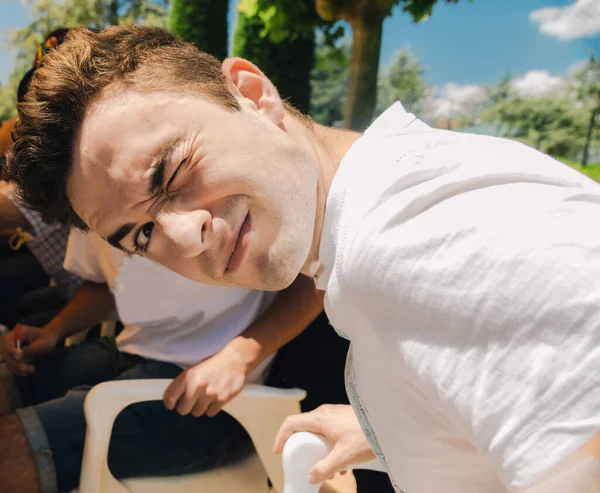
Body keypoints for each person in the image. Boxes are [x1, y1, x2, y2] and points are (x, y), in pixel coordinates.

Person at [8, 25, 600, 493]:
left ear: (251, 92)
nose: (185, 239)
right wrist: (387, 425)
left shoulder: (415, 240)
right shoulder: (380, 216)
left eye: (171, 172)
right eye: (140, 235)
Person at [0, 228, 322, 493]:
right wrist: (54, 331)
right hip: (130, 350)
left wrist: (239, 357)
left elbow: (317, 274)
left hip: (214, 398)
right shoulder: (79, 193)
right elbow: (105, 282)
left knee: (10, 449)